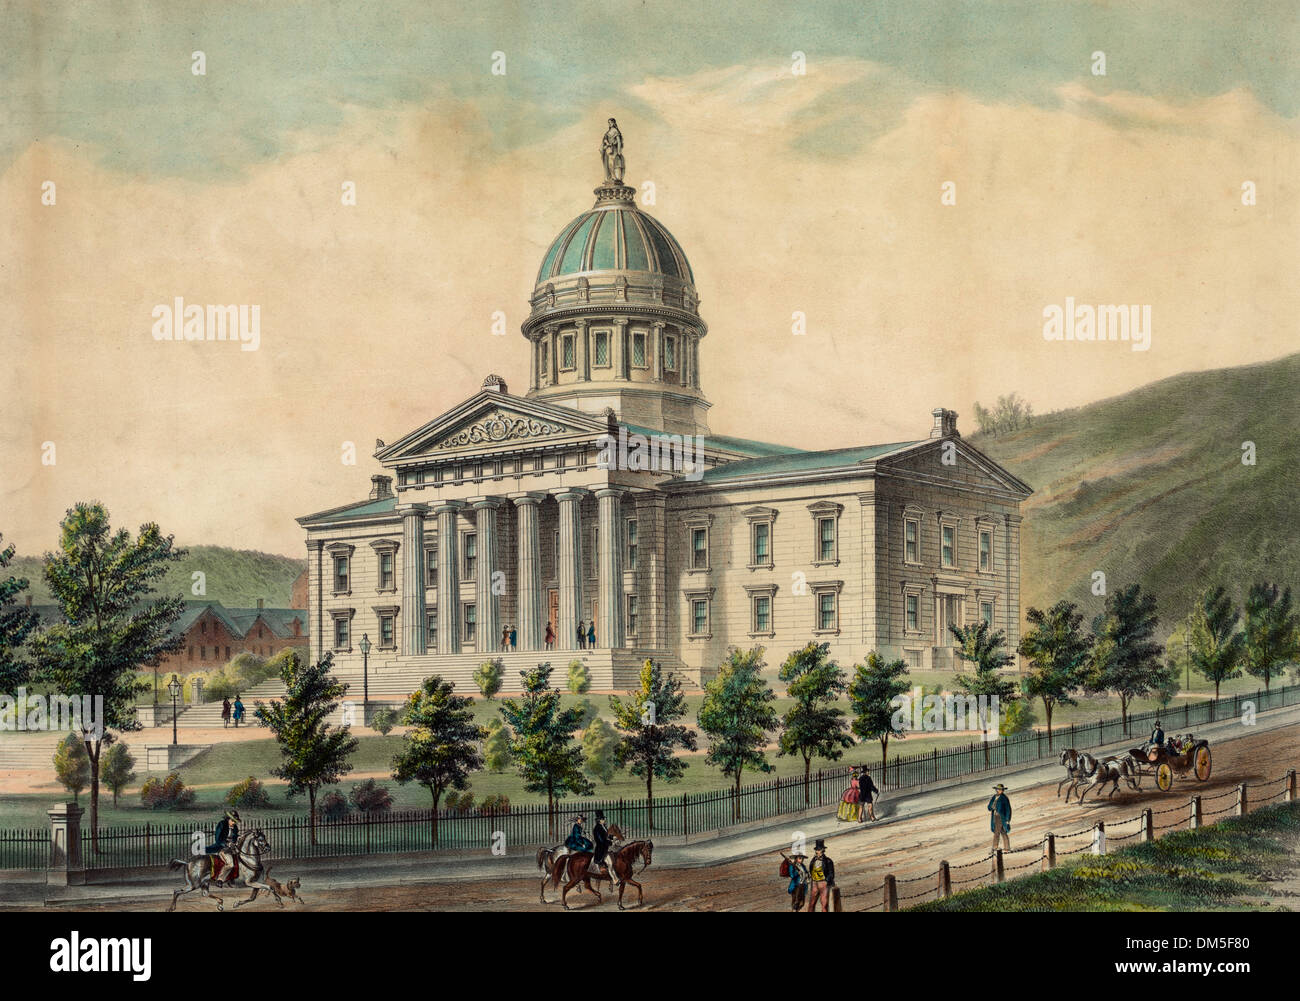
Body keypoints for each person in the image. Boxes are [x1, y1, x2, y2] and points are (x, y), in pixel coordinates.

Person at [205, 808, 241, 885]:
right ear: (228, 819)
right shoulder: (222, 824)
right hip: (222, 847)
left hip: (232, 848)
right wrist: (226, 844)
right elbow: (218, 839)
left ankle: (231, 877)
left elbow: (234, 837)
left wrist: (236, 840)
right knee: (230, 864)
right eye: (233, 820)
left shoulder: (235, 827)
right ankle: (220, 880)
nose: (234, 823)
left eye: (235, 821)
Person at [806, 839, 835, 912]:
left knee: (824, 904)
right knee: (811, 903)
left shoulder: (828, 861)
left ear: (823, 850)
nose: (818, 852)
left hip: (823, 883)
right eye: (817, 850)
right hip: (815, 883)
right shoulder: (813, 860)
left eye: (819, 850)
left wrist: (826, 881)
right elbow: (811, 870)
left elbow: (831, 874)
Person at [988, 783, 1012, 853]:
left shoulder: (1004, 798)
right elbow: (989, 807)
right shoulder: (994, 797)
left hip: (1001, 817)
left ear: (1003, 790)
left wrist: (1007, 820)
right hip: (995, 817)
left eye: (1000, 790)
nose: (998, 791)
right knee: (1003, 832)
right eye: (997, 789)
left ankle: (994, 849)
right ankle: (1007, 848)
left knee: (996, 833)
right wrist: (991, 807)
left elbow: (1008, 809)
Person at [591, 809, 611, 878]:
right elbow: (601, 840)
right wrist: (608, 842)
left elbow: (607, 835)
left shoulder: (604, 826)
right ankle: (600, 865)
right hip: (600, 845)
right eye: (602, 819)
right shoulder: (597, 828)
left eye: (603, 819)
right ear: (599, 820)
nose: (604, 820)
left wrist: (611, 837)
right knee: (601, 854)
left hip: (605, 844)